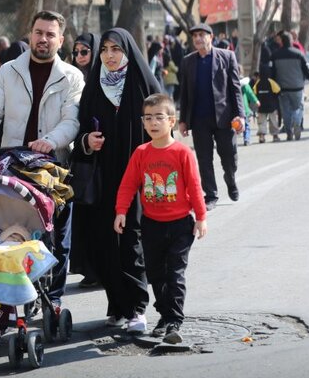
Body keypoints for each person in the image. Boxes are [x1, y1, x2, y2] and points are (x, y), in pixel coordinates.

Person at [0, 10, 85, 308]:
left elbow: (72, 120)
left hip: (54, 167)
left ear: (60, 40)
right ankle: (8, 292)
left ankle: (55, 299)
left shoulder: (71, 77)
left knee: (58, 237)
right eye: (39, 32)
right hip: (13, 164)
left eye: (50, 34)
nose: (43, 39)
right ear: (30, 34)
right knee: (12, 231)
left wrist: (51, 140)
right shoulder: (8, 71)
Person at [75, 27, 160, 333]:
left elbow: (162, 127)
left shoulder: (142, 84)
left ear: (127, 52)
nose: (109, 56)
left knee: (131, 238)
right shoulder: (94, 87)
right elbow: (80, 129)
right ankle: (117, 305)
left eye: (116, 49)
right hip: (103, 176)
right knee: (105, 240)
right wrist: (88, 140)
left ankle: (137, 307)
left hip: (138, 176)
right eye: (105, 50)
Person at [115, 93, 207, 344]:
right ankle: (165, 316)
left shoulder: (182, 152)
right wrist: (121, 211)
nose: (153, 122)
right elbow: (128, 184)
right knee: (156, 274)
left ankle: (174, 321)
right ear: (143, 122)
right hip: (151, 224)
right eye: (148, 118)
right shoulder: (141, 153)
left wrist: (201, 217)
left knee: (175, 273)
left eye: (159, 117)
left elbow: (194, 186)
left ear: (172, 121)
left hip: (180, 225)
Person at [179, 23, 245, 211]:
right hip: (199, 120)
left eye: (201, 35)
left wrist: (240, 115)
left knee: (229, 157)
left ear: (211, 37)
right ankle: (211, 195)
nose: (198, 39)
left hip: (224, 118)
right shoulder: (188, 62)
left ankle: (230, 179)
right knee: (204, 159)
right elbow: (184, 93)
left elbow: (235, 89)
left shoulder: (227, 57)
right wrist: (183, 120)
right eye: (195, 36)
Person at [69, 32, 100, 287]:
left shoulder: (104, 78)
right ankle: (90, 269)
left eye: (84, 52)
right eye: (76, 52)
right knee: (86, 214)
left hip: (105, 156)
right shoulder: (72, 79)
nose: (79, 57)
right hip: (83, 155)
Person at [269, 31, 309, 141]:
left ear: (281, 41)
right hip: (297, 86)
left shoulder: (275, 55)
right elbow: (306, 70)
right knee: (298, 107)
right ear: (291, 41)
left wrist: (273, 86)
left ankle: (289, 133)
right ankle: (297, 121)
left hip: (281, 88)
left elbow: (271, 72)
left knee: (285, 110)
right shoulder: (299, 54)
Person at [252, 70, 281, 143]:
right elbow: (278, 90)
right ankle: (275, 136)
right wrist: (274, 98)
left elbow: (254, 92)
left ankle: (262, 136)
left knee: (262, 122)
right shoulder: (271, 81)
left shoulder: (258, 83)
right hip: (271, 105)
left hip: (261, 106)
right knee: (273, 121)